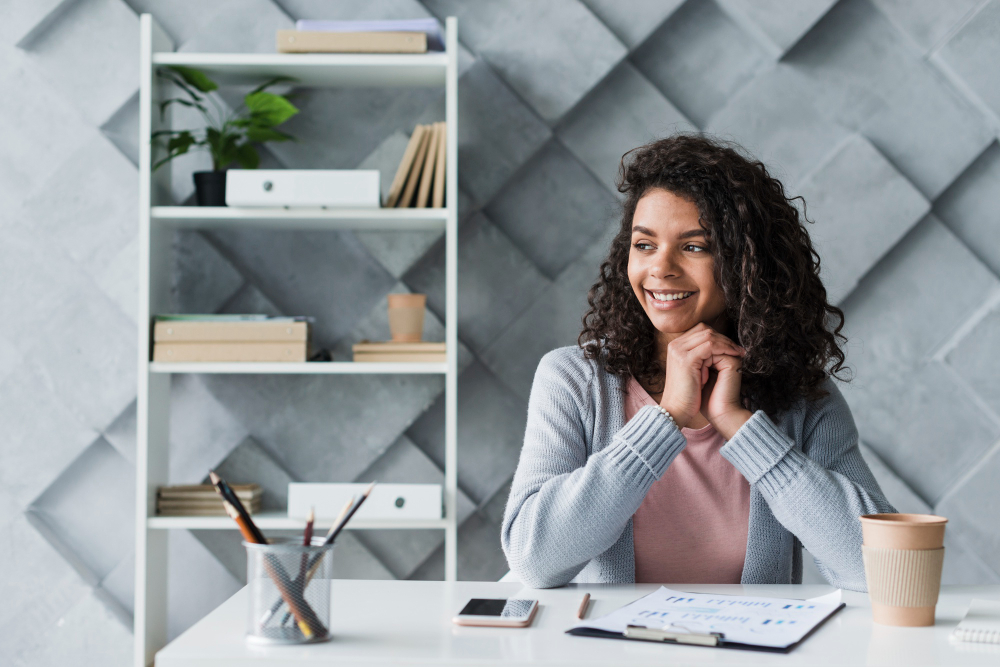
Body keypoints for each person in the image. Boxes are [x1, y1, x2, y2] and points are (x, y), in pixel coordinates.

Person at [501, 134, 895, 591]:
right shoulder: (573, 379)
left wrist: (741, 426)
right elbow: (533, 560)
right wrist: (664, 421)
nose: (661, 268)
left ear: (747, 265)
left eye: (694, 247)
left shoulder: (805, 399)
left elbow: (883, 571)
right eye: (644, 245)